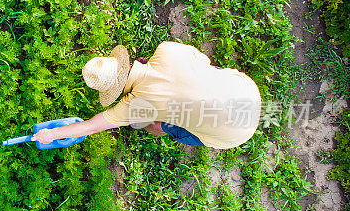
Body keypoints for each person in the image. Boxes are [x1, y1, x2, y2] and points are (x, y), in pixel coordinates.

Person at [32, 42, 262, 149]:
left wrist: (51, 134)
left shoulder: (134, 105)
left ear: (116, 92)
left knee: (148, 123)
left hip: (235, 135)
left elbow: (91, 126)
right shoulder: (166, 50)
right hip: (247, 91)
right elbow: (203, 60)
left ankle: (164, 127)